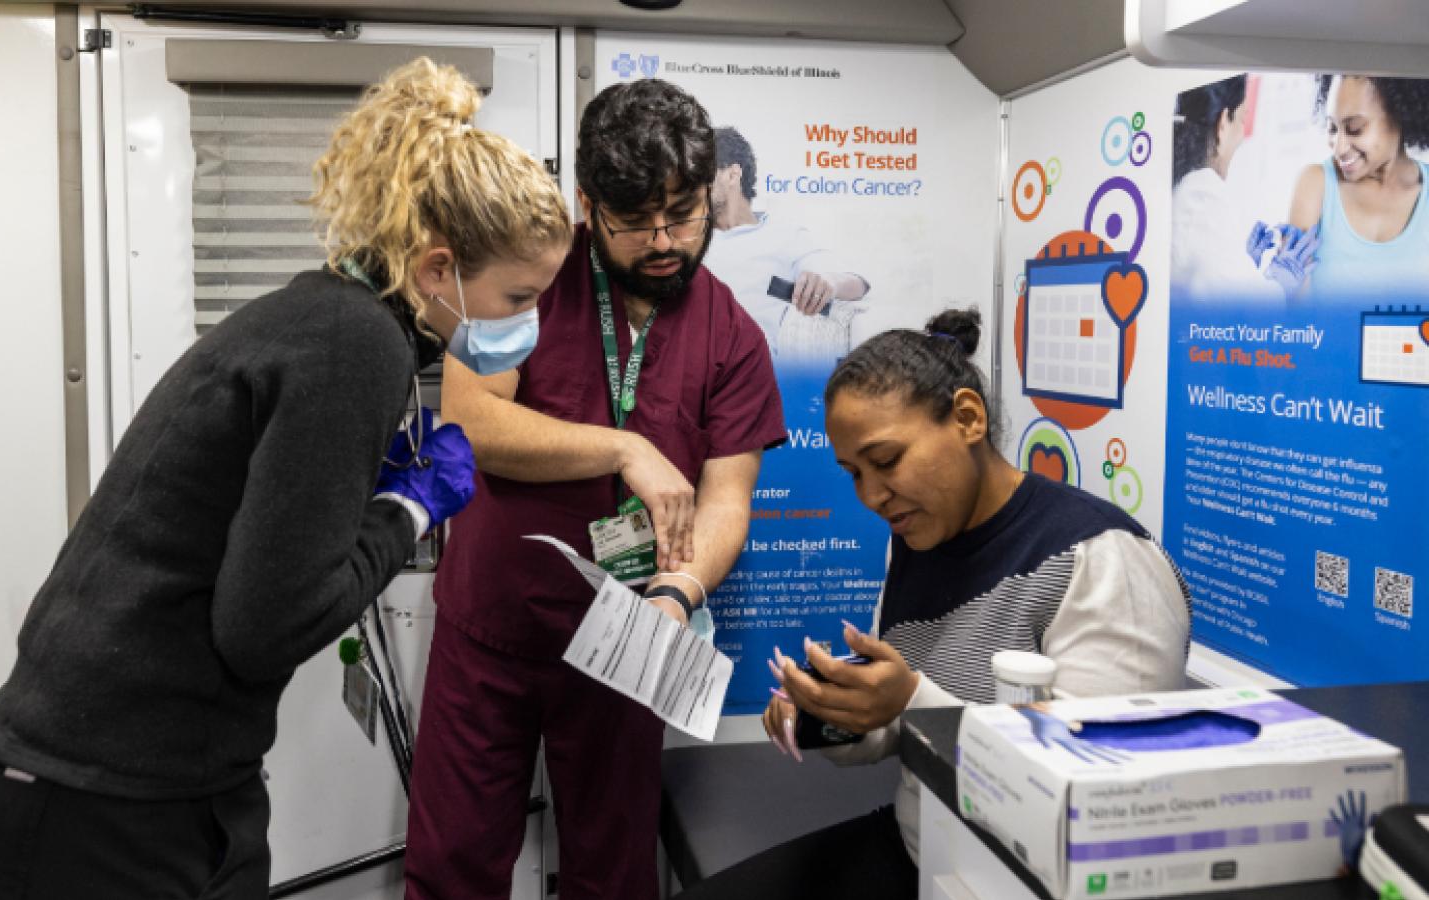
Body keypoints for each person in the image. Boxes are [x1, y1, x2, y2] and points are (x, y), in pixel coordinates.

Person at [0, 58, 573, 900]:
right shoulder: (357, 347)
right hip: (92, 809)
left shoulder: (317, 316)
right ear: (436, 269)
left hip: (128, 781)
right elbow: (266, 626)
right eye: (519, 296)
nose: (528, 322)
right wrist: (406, 511)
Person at [404, 79, 787, 900]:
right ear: (587, 204)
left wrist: (680, 590)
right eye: (633, 219)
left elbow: (728, 499)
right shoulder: (531, 274)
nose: (663, 240)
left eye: (684, 214)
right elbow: (472, 426)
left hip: (628, 639)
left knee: (613, 877)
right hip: (492, 633)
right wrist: (624, 449)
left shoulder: (733, 337)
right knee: (452, 870)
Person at [675, 309, 1191, 900]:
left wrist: (913, 701)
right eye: (853, 473)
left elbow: (1106, 788)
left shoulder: (1100, 559)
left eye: (887, 461)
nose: (871, 495)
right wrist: (837, 717)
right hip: (928, 846)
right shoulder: (920, 535)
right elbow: (899, 727)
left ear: (968, 419)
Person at [706, 125, 870, 360]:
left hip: (751, 375)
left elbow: (856, 284)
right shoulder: (683, 240)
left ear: (732, 175)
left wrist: (829, 283)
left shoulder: (784, 236)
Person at [1287, 75, 1429, 301]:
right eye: (1332, 128)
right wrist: (1288, 287)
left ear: (1400, 115)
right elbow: (1299, 320)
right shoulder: (1315, 185)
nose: (1339, 147)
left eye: (1354, 129)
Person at [1170, 75, 1287, 304]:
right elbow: (1251, 309)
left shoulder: (1183, 187)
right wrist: (1281, 281)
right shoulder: (1200, 193)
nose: (1242, 135)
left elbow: (1206, 274)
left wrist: (1241, 264)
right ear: (1223, 124)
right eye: (1242, 120)